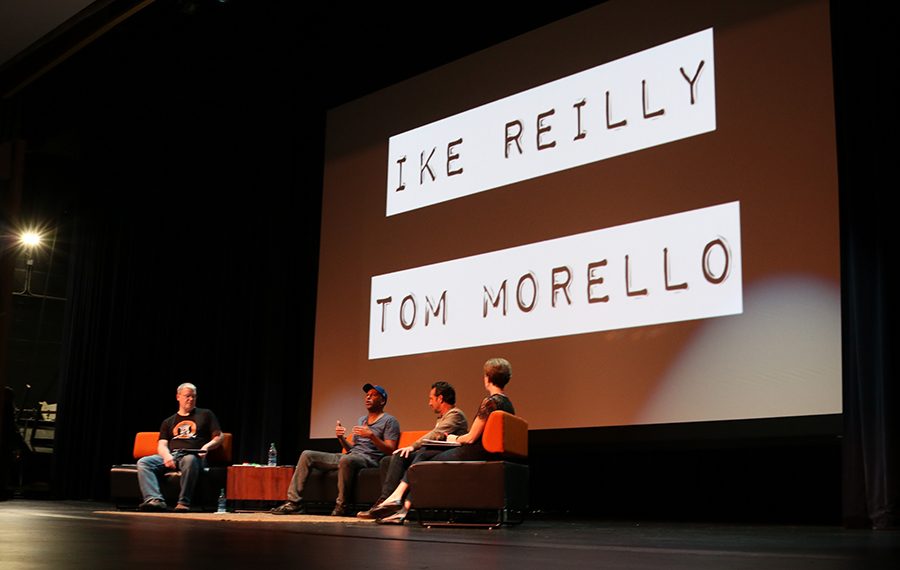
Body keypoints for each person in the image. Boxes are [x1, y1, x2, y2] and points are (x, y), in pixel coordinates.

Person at [367, 357, 514, 524]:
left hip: (474, 450)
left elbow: (472, 437)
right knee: (423, 456)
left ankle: (398, 500)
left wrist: (454, 437)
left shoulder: (490, 402)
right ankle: (401, 507)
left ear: (487, 378)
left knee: (422, 459)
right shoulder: (508, 404)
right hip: (486, 451)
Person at [272, 383, 400, 516]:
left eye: (373, 395)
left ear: (382, 400)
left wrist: (372, 436)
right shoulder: (362, 420)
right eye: (367, 395)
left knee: (347, 459)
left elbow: (390, 450)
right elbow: (351, 449)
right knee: (307, 455)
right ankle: (294, 503)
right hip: (352, 456)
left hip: (370, 459)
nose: (368, 398)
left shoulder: (390, 421)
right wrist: (341, 438)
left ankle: (342, 506)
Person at [356, 381, 468, 519]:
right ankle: (386, 502)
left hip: (445, 457)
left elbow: (433, 435)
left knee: (420, 453)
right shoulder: (443, 418)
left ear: (440, 398)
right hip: (431, 454)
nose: (429, 403)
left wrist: (412, 446)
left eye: (431, 398)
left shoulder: (456, 414)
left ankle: (394, 502)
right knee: (395, 457)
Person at [136, 382, 223, 512]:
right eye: (187, 396)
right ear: (178, 397)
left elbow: (219, 437)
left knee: (190, 460)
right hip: (173, 455)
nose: (191, 399)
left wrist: (206, 447)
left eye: (193, 396)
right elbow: (162, 444)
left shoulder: (205, 414)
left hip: (194, 455)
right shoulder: (168, 421)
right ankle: (154, 500)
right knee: (144, 462)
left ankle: (183, 502)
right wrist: (166, 456)